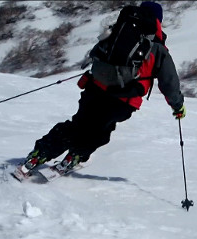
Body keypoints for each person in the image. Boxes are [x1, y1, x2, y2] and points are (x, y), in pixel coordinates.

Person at [22, 1, 186, 173]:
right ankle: (76, 155)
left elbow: (95, 54)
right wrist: (177, 106)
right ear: (158, 21)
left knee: (78, 124)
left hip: (95, 89)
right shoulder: (158, 48)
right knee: (100, 130)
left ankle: (40, 153)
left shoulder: (117, 31)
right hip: (124, 100)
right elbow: (169, 82)